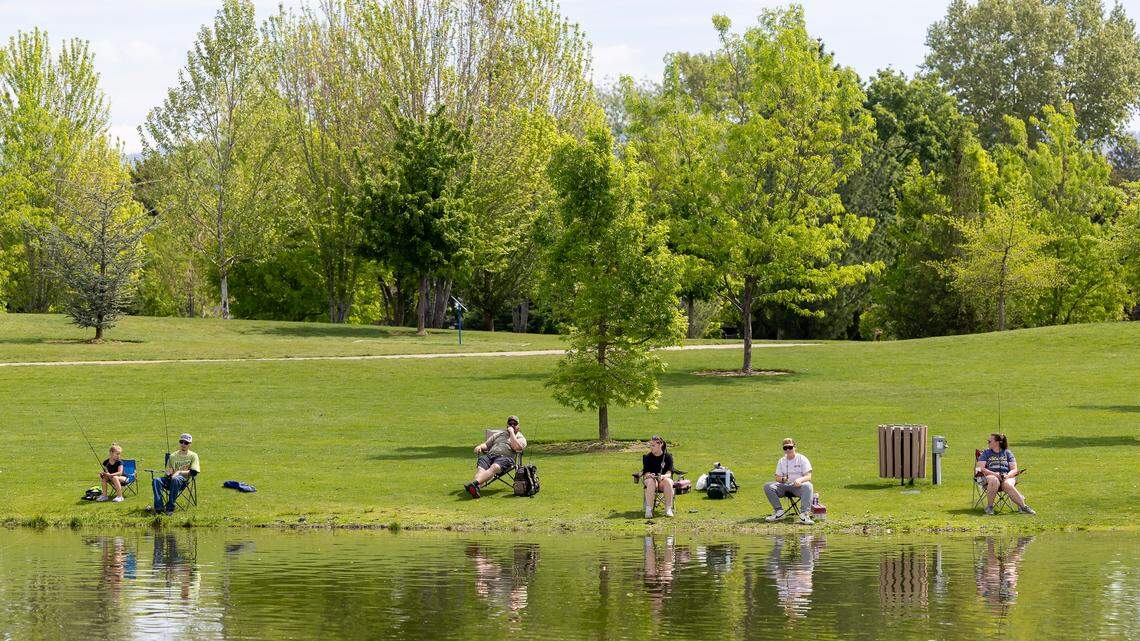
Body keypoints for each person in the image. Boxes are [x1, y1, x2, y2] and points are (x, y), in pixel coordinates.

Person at [465, 416, 526, 498]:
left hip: (505, 458)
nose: (512, 425)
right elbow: (486, 445)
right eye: (510, 423)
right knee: (481, 469)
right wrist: (479, 446)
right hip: (490, 456)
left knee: (495, 467)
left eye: (514, 424)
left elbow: (516, 447)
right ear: (507, 425)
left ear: (518, 426)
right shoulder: (499, 434)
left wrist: (512, 433)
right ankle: (475, 488)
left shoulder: (520, 438)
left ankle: (474, 484)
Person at [976, 433, 1035, 515]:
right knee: (994, 480)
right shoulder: (986, 453)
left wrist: (1007, 476)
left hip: (1006, 477)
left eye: (989, 441)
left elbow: (1014, 469)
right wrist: (995, 474)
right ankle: (990, 507)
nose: (988, 443)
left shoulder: (1008, 453)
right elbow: (980, 468)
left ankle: (1023, 507)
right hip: (990, 478)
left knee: (1007, 483)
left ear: (997, 442)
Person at [764, 438, 815, 524]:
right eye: (785, 448)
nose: (788, 450)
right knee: (768, 486)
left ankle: (804, 514)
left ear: (794, 447)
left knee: (808, 485)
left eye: (790, 447)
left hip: (798, 486)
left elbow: (808, 476)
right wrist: (783, 479)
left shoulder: (802, 458)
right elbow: (777, 477)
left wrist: (800, 480)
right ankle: (779, 512)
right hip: (784, 486)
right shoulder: (781, 461)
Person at [150, 433, 200, 515]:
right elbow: (167, 471)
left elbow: (193, 472)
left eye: (186, 443)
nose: (183, 444)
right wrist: (169, 473)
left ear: (190, 444)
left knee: (176, 479)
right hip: (171, 480)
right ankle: (159, 508)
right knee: (156, 480)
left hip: (183, 481)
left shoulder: (193, 455)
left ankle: (170, 508)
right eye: (181, 442)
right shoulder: (172, 456)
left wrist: (179, 472)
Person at [638, 435, 675, 518]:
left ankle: (668, 509)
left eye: (653, 445)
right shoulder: (648, 457)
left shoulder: (668, 456)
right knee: (651, 481)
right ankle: (648, 510)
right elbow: (646, 473)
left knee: (668, 481)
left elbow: (669, 473)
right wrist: (650, 475)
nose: (651, 447)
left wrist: (662, 476)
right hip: (650, 480)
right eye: (650, 445)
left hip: (662, 481)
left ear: (660, 445)